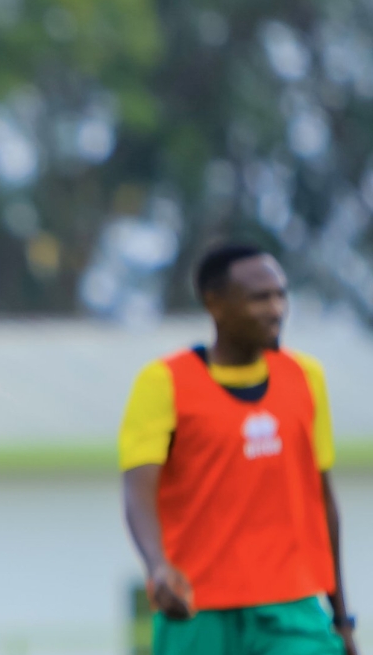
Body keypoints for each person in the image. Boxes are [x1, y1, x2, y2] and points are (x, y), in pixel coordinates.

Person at [119, 243, 357, 655]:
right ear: (215, 304)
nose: (276, 309)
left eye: (280, 295)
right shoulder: (164, 382)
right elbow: (138, 493)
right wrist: (158, 567)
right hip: (197, 609)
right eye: (259, 298)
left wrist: (341, 618)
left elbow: (323, 501)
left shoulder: (305, 377)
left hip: (291, 608)